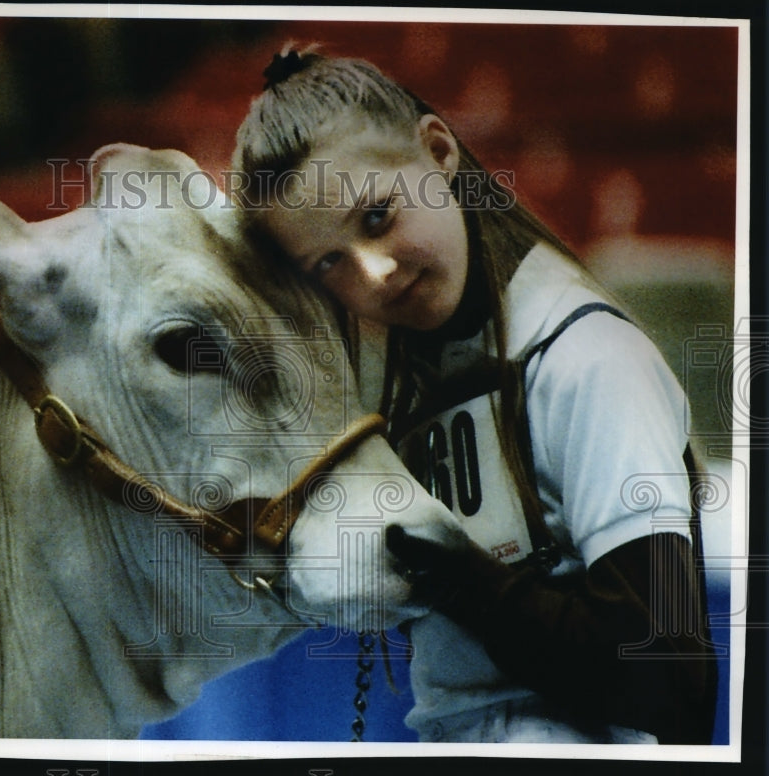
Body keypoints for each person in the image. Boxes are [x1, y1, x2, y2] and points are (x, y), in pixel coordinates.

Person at [230, 48, 718, 744]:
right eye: (328, 263)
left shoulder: (591, 360)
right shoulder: (397, 381)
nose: (372, 273)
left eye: (377, 219)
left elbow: (667, 678)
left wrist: (466, 584)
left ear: (437, 150)